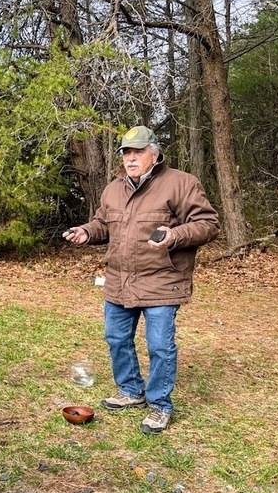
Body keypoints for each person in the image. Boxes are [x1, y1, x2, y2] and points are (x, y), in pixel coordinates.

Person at [63, 125, 220, 434]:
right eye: (126, 153)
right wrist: (86, 232)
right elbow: (102, 224)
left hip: (161, 280)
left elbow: (208, 224)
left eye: (138, 152)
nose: (131, 158)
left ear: (155, 154)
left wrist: (174, 235)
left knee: (160, 346)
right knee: (117, 339)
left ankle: (160, 405)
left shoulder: (181, 183)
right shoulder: (113, 189)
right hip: (119, 281)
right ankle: (131, 389)